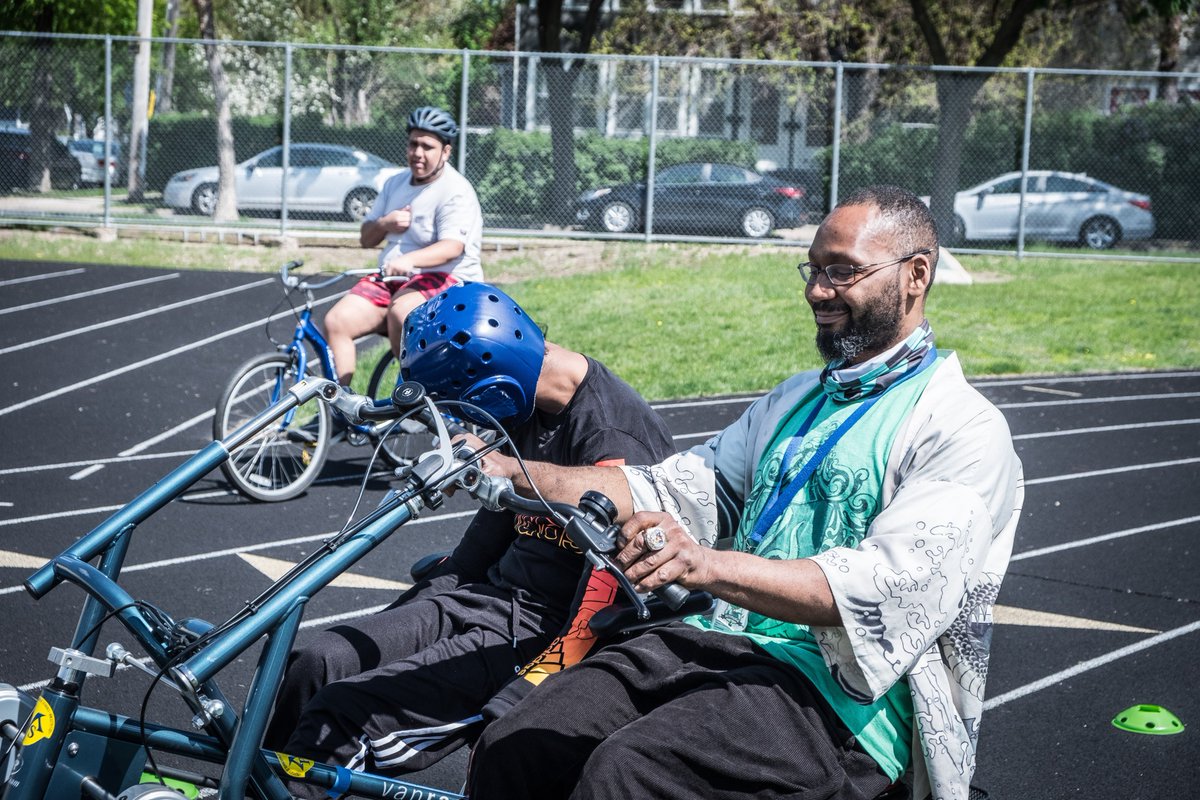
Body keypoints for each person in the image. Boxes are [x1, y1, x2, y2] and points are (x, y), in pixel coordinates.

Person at [465, 185, 1024, 800]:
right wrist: (502, 469)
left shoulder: (961, 428)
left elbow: (884, 589)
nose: (817, 290)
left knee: (626, 774)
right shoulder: (795, 400)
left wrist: (704, 564)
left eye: (842, 272)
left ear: (916, 275)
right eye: (813, 270)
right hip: (714, 641)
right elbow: (671, 488)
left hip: (841, 699)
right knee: (517, 740)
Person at [265, 282, 676, 798]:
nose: (467, 422)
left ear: (492, 388)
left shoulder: (614, 441)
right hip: (486, 601)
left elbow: (607, 597)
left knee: (343, 714)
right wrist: (403, 617)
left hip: (543, 634)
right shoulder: (525, 404)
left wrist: (531, 685)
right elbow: (481, 545)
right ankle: (258, 785)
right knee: (319, 660)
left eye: (463, 407)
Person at [322, 105, 484, 387]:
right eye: (413, 144)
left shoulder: (455, 190)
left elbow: (452, 247)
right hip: (395, 279)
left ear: (446, 152)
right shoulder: (394, 183)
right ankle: (341, 408)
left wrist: (410, 260)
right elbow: (366, 239)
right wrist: (385, 223)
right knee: (337, 321)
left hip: (449, 278)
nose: (417, 153)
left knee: (402, 312)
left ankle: (413, 397)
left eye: (427, 147)